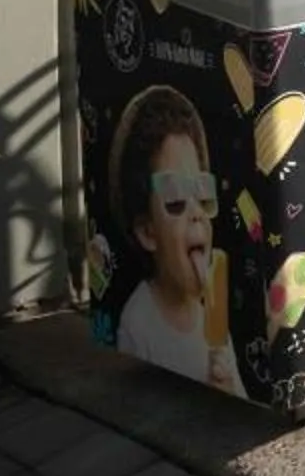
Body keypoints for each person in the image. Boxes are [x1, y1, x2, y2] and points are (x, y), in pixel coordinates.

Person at [104, 85, 243, 396]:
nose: (196, 213)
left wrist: (230, 389)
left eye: (202, 193)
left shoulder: (212, 316)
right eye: (176, 198)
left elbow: (240, 396)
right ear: (147, 232)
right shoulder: (139, 325)